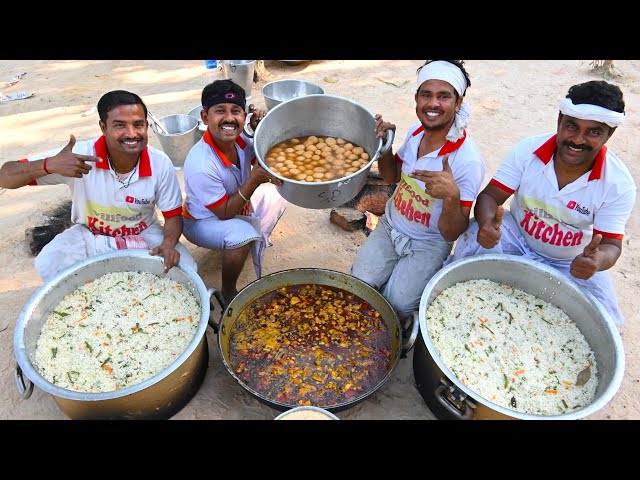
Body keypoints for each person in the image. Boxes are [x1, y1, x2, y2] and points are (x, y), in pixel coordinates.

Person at [448, 80, 636, 326]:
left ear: (608, 135)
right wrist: (486, 224)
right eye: (571, 126)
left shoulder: (618, 184)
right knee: (471, 240)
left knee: (607, 320)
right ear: (559, 120)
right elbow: (490, 197)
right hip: (517, 237)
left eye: (594, 132)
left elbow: (611, 245)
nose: (578, 140)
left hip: (572, 260)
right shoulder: (528, 151)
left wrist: (597, 261)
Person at [0, 89, 197, 282]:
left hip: (142, 232)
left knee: (188, 268)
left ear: (146, 125)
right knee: (48, 263)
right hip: (90, 233)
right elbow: (5, 176)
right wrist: (48, 164)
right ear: (103, 127)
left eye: (138, 125)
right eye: (119, 125)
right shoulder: (79, 156)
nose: (131, 134)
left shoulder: (160, 163)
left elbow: (172, 217)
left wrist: (169, 244)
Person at [350, 60, 486, 325]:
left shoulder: (467, 161)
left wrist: (451, 197)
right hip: (391, 226)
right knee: (360, 285)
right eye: (426, 94)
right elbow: (391, 177)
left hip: (428, 243)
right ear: (416, 98)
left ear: (458, 103)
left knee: (397, 306)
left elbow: (451, 233)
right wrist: (385, 147)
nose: (433, 104)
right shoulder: (415, 133)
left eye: (444, 96)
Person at [182, 79, 287, 303]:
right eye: (220, 111)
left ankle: (244, 243)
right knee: (241, 234)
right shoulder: (201, 163)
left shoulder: (239, 140)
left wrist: (261, 130)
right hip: (202, 221)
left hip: (234, 207)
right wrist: (255, 180)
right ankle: (228, 290)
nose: (229, 118)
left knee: (279, 194)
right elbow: (224, 212)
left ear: (244, 116)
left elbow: (262, 159)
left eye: (236, 111)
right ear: (204, 117)